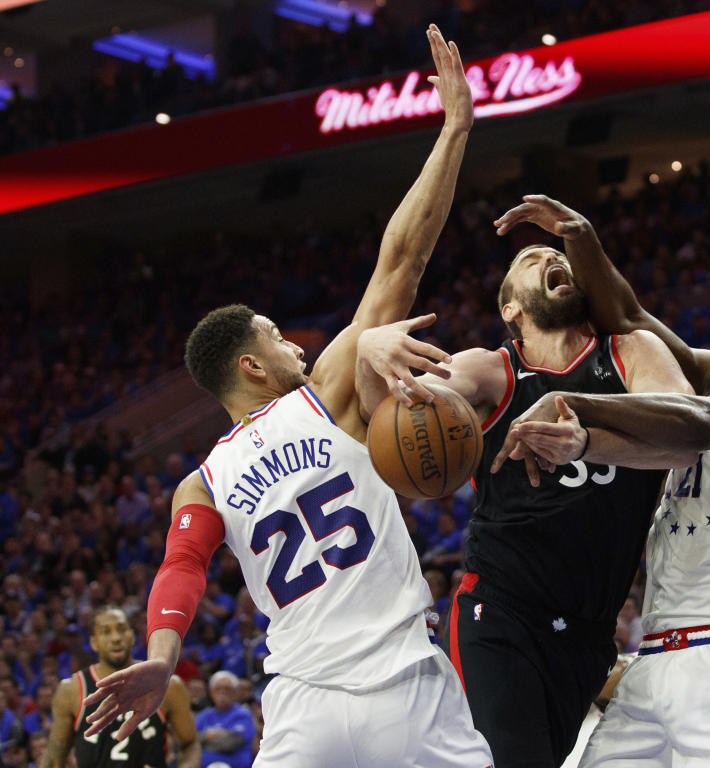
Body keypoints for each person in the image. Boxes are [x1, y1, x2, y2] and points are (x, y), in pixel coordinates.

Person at [81, 26, 493, 768]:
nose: (296, 344)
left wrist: (161, 654)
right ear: (252, 364)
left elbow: (182, 568)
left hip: (305, 707)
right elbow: (403, 257)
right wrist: (454, 131)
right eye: (277, 336)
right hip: (405, 688)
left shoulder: (199, 481)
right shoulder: (327, 394)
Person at [489, 195, 710, 767]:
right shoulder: (704, 376)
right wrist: (580, 235)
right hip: (655, 656)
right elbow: (629, 319)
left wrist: (576, 402)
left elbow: (705, 424)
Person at [355, 203, 692, 766]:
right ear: (511, 307)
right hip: (501, 613)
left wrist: (588, 443)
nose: (550, 258)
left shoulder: (631, 351)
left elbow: (687, 438)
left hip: (587, 634)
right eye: (533, 259)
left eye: (557, 255)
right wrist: (368, 351)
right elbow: (392, 422)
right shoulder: (492, 369)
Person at [41, 605, 199, 768]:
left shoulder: (167, 684)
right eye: (106, 631)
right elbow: (55, 756)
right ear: (94, 642)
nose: (116, 638)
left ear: (132, 636)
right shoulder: (71, 690)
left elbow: (190, 743)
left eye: (122, 629)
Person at [194, 671, 255, 768]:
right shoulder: (204, 715)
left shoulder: (243, 714)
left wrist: (204, 741)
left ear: (235, 692)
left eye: (227, 689)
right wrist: (213, 735)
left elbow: (229, 744)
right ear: (211, 693)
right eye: (218, 689)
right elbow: (191, 739)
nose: (222, 692)